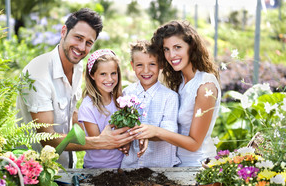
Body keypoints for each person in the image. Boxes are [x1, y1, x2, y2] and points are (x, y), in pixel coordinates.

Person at [16, 8, 134, 168]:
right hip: (36, 172)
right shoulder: (38, 72)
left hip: (65, 168)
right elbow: (47, 138)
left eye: (88, 43)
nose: (81, 47)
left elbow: (71, 114)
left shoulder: (77, 67)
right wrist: (99, 142)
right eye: (78, 38)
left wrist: (115, 136)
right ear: (64, 31)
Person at [130, 20, 221, 167]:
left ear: (191, 47)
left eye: (177, 47)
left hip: (197, 166)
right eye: (166, 49)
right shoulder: (180, 81)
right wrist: (142, 134)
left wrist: (156, 131)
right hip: (176, 164)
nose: (171, 55)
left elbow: (194, 144)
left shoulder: (205, 87)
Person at [120, 40, 180, 168]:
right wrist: (124, 140)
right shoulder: (126, 93)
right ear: (132, 66)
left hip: (161, 167)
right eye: (140, 65)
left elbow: (169, 132)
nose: (146, 70)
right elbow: (122, 125)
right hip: (130, 166)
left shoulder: (170, 97)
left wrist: (146, 134)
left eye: (152, 64)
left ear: (161, 65)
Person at [77, 49, 124, 168]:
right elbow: (99, 142)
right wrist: (125, 138)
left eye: (113, 73)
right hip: (96, 168)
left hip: (121, 166)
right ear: (92, 75)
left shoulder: (120, 100)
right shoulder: (88, 106)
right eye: (103, 74)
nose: (109, 79)